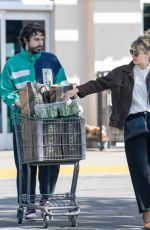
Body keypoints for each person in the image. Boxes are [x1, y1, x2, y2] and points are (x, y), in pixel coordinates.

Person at [65, 33, 150, 229]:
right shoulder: (121, 73)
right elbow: (98, 84)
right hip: (134, 124)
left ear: (147, 54)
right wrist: (77, 90)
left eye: (136, 53)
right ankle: (147, 215)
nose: (132, 57)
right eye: (131, 52)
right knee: (141, 172)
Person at [0, 22, 68, 220]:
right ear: (25, 40)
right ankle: (27, 203)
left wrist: (64, 97)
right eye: (36, 39)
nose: (40, 43)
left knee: (50, 161)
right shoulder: (12, 64)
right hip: (24, 123)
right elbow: (5, 91)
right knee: (25, 163)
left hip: (49, 123)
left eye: (42, 39)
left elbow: (62, 84)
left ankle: (45, 200)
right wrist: (20, 104)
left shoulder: (51, 60)